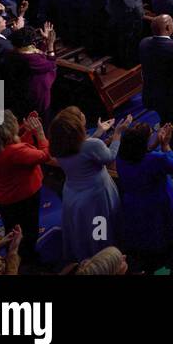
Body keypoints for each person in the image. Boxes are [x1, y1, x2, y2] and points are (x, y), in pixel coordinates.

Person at [49, 105, 128, 261]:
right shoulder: (92, 145)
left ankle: (89, 256)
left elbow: (81, 149)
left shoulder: (59, 145)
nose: (83, 115)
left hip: (73, 195)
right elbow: (109, 156)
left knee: (86, 230)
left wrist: (99, 133)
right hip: (96, 196)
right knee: (101, 233)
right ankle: (107, 261)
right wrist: (117, 134)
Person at [0, 110, 49, 265]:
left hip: (0, 197)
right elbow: (44, 155)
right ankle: (28, 260)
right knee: (29, 231)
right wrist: (40, 133)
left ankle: (14, 253)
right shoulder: (16, 152)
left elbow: (16, 151)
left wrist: (28, 132)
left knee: (12, 228)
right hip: (22, 196)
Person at [115, 120, 173, 262]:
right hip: (157, 206)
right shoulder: (155, 159)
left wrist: (153, 145)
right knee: (162, 243)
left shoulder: (121, 158)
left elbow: (140, 154)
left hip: (133, 205)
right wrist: (165, 144)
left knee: (141, 238)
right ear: (142, 143)